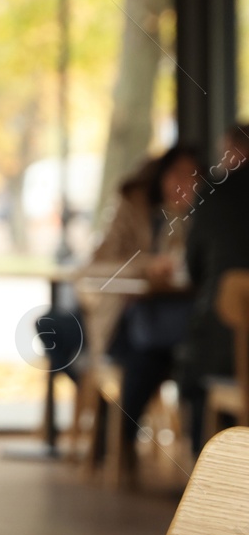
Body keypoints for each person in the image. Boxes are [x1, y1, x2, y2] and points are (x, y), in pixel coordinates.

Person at [78, 144, 200, 473]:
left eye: (193, 177)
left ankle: (114, 438)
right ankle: (117, 441)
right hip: (122, 323)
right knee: (149, 354)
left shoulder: (201, 217)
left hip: (174, 324)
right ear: (161, 175)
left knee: (166, 354)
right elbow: (94, 268)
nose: (184, 185)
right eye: (177, 175)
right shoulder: (134, 208)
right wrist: (145, 266)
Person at [180, 121, 249, 452]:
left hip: (227, 350)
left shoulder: (213, 192)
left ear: (236, 152)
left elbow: (193, 270)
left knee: (193, 367)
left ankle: (203, 475)